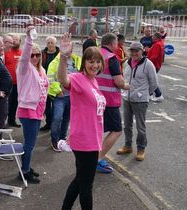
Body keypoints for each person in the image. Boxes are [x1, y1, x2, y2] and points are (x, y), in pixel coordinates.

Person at [57, 33, 106, 210]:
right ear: (84, 63)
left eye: (97, 61)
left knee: (80, 180)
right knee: (86, 186)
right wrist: (63, 56)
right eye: (91, 61)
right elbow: (63, 79)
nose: (95, 65)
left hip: (93, 140)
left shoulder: (94, 81)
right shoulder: (79, 79)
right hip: (84, 141)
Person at [16, 26, 48, 184]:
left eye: (37, 55)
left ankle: (25, 166)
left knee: (30, 142)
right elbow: (24, 57)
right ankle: (25, 171)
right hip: (27, 111)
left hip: (37, 111)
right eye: (32, 55)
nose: (34, 57)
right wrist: (29, 39)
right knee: (29, 143)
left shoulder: (40, 69)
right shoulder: (25, 68)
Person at [116, 42, 158, 161]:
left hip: (140, 101)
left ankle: (141, 149)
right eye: (132, 51)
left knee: (140, 126)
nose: (134, 53)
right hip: (127, 98)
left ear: (142, 51)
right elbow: (124, 78)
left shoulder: (148, 64)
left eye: (137, 51)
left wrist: (144, 94)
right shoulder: (127, 63)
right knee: (127, 125)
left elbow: (154, 83)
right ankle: (128, 145)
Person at [96, 33, 130, 173]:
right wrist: (127, 85)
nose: (117, 45)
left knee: (98, 131)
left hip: (94, 99)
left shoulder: (94, 54)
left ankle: (91, 157)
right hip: (109, 101)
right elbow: (119, 82)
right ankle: (97, 159)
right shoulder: (112, 58)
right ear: (112, 44)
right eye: (116, 43)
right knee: (116, 130)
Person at [46, 46, 81, 151]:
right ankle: (54, 139)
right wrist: (58, 91)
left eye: (71, 50)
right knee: (57, 118)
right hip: (60, 97)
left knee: (67, 119)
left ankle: (62, 139)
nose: (69, 52)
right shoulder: (55, 62)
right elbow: (50, 78)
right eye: (67, 50)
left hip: (73, 96)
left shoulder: (77, 60)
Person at [40, 36, 60, 131]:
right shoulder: (42, 54)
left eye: (52, 43)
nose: (50, 44)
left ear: (55, 44)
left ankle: (56, 125)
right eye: (48, 43)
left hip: (57, 84)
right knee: (46, 105)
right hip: (45, 84)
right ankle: (48, 123)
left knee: (57, 105)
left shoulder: (60, 54)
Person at [5, 34, 22, 128]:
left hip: (17, 83)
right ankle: (2, 121)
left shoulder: (22, 52)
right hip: (7, 83)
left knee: (14, 102)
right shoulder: (6, 52)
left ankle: (11, 120)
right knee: (5, 102)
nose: (14, 41)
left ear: (20, 41)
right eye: (13, 39)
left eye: (16, 39)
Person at [147, 32, 165, 102]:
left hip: (154, 65)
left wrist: (147, 62)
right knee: (150, 79)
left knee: (151, 80)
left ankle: (159, 94)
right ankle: (150, 94)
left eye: (153, 36)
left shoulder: (157, 44)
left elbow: (154, 56)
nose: (152, 37)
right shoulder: (160, 43)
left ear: (156, 37)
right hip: (156, 64)